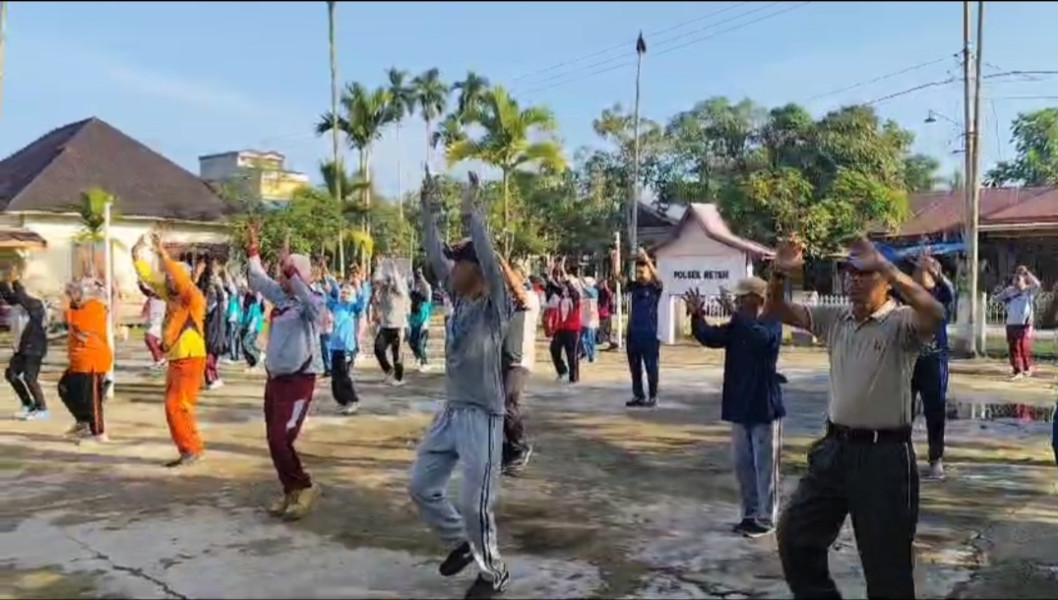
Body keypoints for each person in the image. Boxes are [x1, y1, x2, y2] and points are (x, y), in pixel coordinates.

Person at [767, 235, 944, 600]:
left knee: (887, 570)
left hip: (885, 458)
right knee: (795, 536)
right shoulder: (837, 318)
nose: (853, 280)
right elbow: (776, 310)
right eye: (848, 272)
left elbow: (936, 313)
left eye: (863, 273)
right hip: (835, 450)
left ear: (885, 280)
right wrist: (779, 274)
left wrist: (889, 267)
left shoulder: (901, 322)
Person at [409, 170, 511, 599]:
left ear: (477, 271)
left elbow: (488, 258)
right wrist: (427, 214)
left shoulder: (495, 306)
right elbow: (435, 256)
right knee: (421, 486)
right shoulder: (457, 301)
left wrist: (472, 214)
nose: (450, 268)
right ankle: (461, 544)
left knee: (475, 501)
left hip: (482, 417)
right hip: (451, 411)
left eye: (460, 263)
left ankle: (494, 573)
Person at [684, 279, 784, 538]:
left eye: (742, 298)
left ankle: (766, 518)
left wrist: (736, 316)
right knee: (743, 466)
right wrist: (697, 315)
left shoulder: (771, 322)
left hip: (764, 407)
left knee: (765, 468)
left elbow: (760, 340)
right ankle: (749, 513)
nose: (737, 302)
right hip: (740, 406)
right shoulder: (739, 324)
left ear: (756, 298)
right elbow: (711, 337)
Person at [245, 226, 325, 521]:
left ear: (300, 275)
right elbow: (258, 279)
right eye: (281, 272)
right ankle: (290, 490)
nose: (280, 277)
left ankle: (304, 486)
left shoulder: (313, 303)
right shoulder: (281, 298)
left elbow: (308, 298)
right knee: (272, 438)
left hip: (299, 382)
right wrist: (253, 251)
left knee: (282, 438)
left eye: (287, 273)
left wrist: (290, 269)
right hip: (275, 380)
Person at [133, 232, 209, 468]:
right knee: (175, 406)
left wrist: (161, 253)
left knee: (177, 406)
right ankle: (190, 448)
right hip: (177, 357)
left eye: (171, 277)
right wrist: (136, 253)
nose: (168, 280)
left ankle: (191, 449)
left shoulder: (191, 295)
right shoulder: (172, 292)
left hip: (190, 356)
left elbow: (179, 278)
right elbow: (148, 276)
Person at [908, 253, 955, 480]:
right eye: (918, 266)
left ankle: (936, 459)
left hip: (933, 361)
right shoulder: (905, 293)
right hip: (906, 361)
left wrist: (939, 276)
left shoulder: (940, 295)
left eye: (926, 267)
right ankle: (902, 456)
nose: (920, 270)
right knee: (901, 411)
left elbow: (950, 292)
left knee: (935, 411)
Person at [58, 280, 113, 442]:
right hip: (78, 361)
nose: (70, 296)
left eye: (72, 293)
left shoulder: (95, 306)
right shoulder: (78, 308)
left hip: (93, 361)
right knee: (64, 387)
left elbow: (80, 324)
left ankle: (99, 433)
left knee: (92, 399)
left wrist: (66, 308)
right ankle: (83, 422)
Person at [500, 259, 539, 476]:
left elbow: (518, 291)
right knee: (497, 407)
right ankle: (507, 452)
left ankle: (520, 445)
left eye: (511, 277)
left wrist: (503, 265)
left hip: (519, 361)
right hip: (503, 360)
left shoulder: (530, 298)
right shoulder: (505, 301)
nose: (506, 281)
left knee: (508, 404)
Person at [1, 267, 49, 420]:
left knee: (30, 378)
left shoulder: (36, 304)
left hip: (34, 347)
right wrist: (3, 281)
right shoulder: (21, 301)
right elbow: (10, 297)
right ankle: (28, 404)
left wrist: (15, 281)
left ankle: (42, 409)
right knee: (12, 375)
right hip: (21, 347)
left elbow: (22, 298)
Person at [322, 266, 365, 415]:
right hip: (335, 347)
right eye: (343, 292)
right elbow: (327, 296)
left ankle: (353, 400)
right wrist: (326, 279)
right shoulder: (336, 306)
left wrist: (359, 285)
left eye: (347, 293)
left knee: (344, 376)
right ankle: (342, 401)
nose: (344, 295)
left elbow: (362, 301)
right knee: (335, 378)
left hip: (347, 348)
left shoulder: (352, 307)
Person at [625, 248, 663, 407]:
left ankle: (653, 396)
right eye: (638, 272)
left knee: (651, 367)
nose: (640, 275)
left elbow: (659, 279)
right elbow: (618, 278)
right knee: (635, 368)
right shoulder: (634, 287)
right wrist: (615, 259)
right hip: (633, 333)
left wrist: (647, 260)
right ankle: (638, 395)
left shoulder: (655, 288)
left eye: (643, 272)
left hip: (650, 334)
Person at [995, 265, 1041, 379]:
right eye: (1015, 279)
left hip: (1024, 324)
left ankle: (1027, 367)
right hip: (1011, 323)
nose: (1016, 282)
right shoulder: (1009, 291)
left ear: (1024, 280)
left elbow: (1038, 285)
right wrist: (1001, 298)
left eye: (1019, 279)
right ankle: (1017, 370)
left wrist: (1027, 273)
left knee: (1023, 345)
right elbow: (996, 298)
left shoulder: (1029, 290)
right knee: (1013, 347)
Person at [373, 260, 409, 386]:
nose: (384, 283)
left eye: (387, 281)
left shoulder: (400, 292)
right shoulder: (383, 293)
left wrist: (394, 270)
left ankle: (398, 379)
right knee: (378, 349)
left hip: (398, 326)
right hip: (385, 326)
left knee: (396, 354)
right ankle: (389, 370)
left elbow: (398, 282)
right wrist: (380, 266)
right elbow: (376, 280)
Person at [548, 259, 582, 384]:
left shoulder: (576, 296)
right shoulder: (562, 294)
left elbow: (570, 287)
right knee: (554, 349)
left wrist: (563, 270)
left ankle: (574, 378)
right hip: (560, 328)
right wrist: (551, 270)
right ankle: (562, 371)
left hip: (572, 329)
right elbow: (552, 284)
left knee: (572, 355)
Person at [408, 268, 433, 372]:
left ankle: (424, 362)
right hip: (413, 322)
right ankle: (418, 357)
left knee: (420, 344)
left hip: (423, 323)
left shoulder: (426, 298)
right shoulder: (413, 294)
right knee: (412, 342)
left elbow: (427, 288)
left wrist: (421, 276)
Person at [138, 281, 167, 369]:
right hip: (154, 321)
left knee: (149, 338)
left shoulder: (162, 295)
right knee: (155, 342)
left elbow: (153, 293)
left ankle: (160, 359)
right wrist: (140, 285)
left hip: (159, 321)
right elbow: (148, 293)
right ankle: (161, 359)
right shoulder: (153, 295)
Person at [241, 289, 265, 371]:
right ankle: (252, 363)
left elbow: (255, 315)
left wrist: (251, 326)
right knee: (246, 344)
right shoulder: (248, 300)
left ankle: (258, 355)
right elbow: (246, 313)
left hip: (254, 326)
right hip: (247, 324)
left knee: (246, 343)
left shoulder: (256, 302)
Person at [223, 270, 243, 363]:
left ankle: (234, 355)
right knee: (235, 337)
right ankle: (235, 355)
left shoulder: (234, 293)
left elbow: (230, 282)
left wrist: (225, 269)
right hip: (236, 318)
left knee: (233, 337)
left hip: (234, 318)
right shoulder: (237, 293)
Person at [579, 276, 599, 363]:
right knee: (582, 338)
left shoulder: (594, 291)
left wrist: (581, 283)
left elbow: (586, 290)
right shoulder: (583, 292)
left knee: (590, 339)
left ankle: (591, 355)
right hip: (584, 319)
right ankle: (584, 353)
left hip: (591, 320)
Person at [597, 278, 615, 350]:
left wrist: (606, 286)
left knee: (607, 329)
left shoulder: (608, 292)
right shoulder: (600, 291)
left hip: (607, 313)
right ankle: (602, 341)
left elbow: (609, 295)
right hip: (602, 313)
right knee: (602, 329)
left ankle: (606, 341)